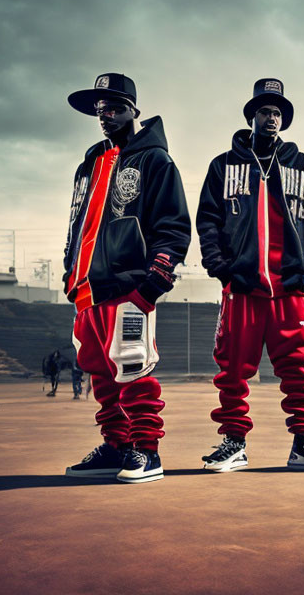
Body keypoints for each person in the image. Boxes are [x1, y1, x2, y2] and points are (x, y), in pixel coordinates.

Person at [196, 78, 304, 472]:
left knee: (299, 370)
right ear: (251, 116)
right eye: (265, 111)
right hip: (241, 288)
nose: (272, 118)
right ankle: (233, 442)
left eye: (278, 112)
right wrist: (222, 268)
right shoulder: (223, 166)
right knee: (232, 370)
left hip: (288, 288)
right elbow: (207, 222)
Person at [62, 73, 191, 484]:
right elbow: (78, 225)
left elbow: (173, 224)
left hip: (127, 285)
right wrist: (70, 271)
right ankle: (116, 445)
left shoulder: (155, 160)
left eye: (115, 108)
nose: (106, 116)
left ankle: (147, 450)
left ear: (134, 110)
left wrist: (155, 278)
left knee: (133, 368)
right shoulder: (90, 163)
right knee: (100, 373)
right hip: (88, 288)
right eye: (100, 110)